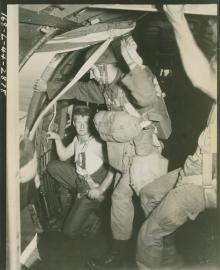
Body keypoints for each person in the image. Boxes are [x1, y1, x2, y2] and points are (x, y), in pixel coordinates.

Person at [35, 36, 171, 267]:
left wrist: (135, 64)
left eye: (96, 71)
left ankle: (165, 253)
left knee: (151, 204)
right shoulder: (108, 90)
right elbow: (80, 90)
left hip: (145, 154)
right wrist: (50, 87)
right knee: (120, 199)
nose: (94, 77)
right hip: (126, 154)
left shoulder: (131, 83)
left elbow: (147, 96)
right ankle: (119, 251)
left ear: (107, 66)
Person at [136, 5, 217, 269]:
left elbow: (200, 76)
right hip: (198, 167)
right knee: (149, 195)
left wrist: (176, 16)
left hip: (203, 181)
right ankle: (169, 263)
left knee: (147, 236)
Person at [47, 105, 114, 239]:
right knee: (53, 167)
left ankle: (93, 221)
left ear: (91, 124)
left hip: (92, 185)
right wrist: (57, 138)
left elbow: (114, 167)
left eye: (86, 123)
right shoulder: (77, 140)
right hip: (79, 178)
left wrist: (101, 189)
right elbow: (63, 156)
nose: (82, 126)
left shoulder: (96, 144)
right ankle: (75, 192)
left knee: (69, 232)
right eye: (79, 122)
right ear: (74, 123)